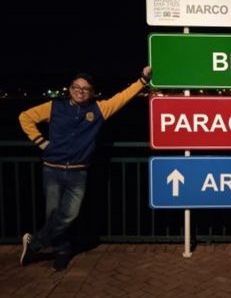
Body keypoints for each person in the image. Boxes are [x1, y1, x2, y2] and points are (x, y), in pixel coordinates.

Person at [18, 66, 152, 271]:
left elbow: (122, 97)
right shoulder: (54, 107)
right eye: (76, 87)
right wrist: (41, 142)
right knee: (53, 214)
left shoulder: (99, 110)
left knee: (69, 214)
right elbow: (25, 117)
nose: (80, 91)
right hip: (52, 170)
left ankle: (35, 243)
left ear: (92, 92)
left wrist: (142, 81)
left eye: (86, 88)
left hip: (78, 172)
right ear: (70, 89)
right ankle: (62, 251)